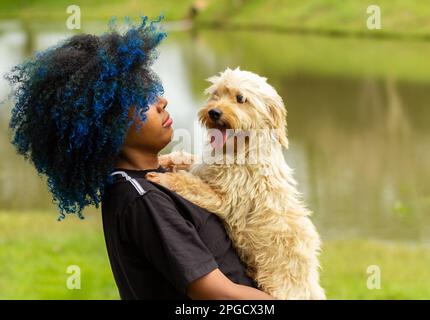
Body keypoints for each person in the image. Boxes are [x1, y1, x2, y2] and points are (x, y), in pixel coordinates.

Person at [6, 17, 273, 300]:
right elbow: (216, 293)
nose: (162, 102)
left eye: (154, 91)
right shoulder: (142, 199)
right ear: (108, 123)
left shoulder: (152, 178)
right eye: (143, 98)